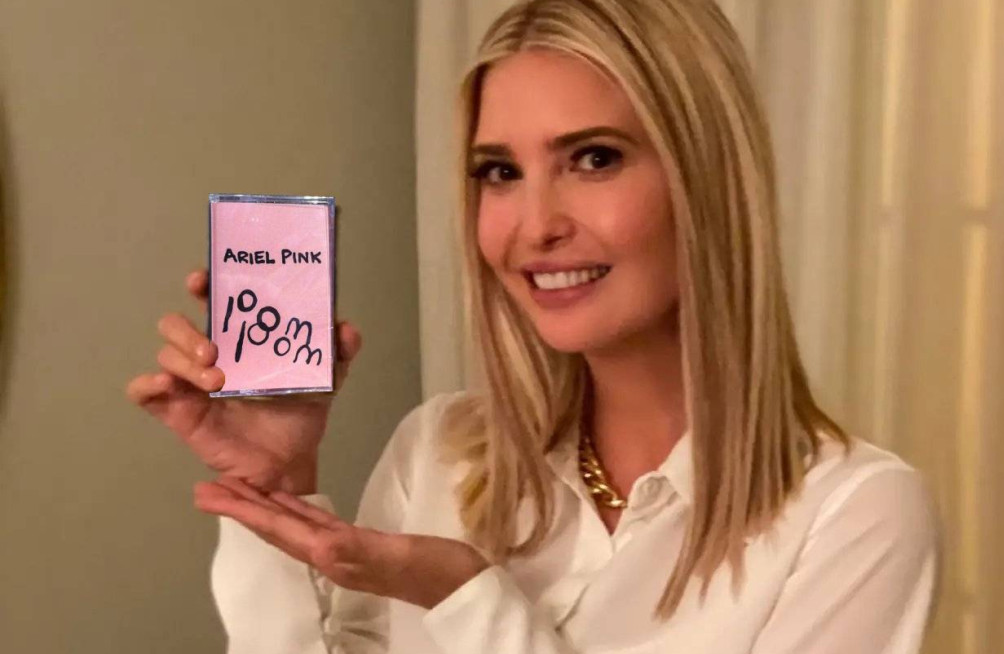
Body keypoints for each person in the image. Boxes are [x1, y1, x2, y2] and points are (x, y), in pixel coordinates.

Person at [126, 0, 939, 652]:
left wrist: (464, 597)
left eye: (594, 159)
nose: (535, 225)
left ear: (706, 176)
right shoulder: (435, 453)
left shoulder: (854, 515)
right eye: (500, 172)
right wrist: (277, 488)